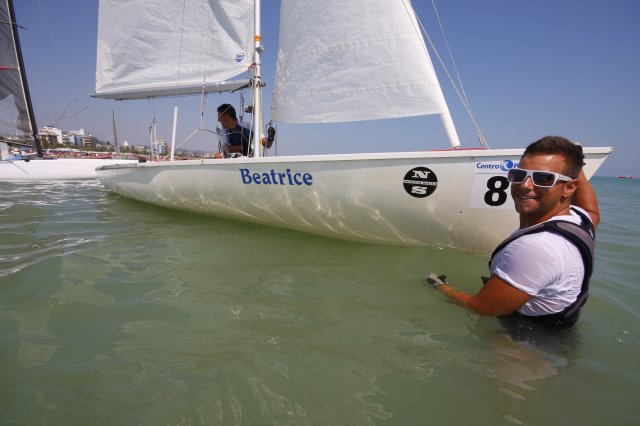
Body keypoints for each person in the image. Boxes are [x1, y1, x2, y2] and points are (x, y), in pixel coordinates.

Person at [426, 136, 599, 328]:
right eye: (519, 175)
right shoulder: (581, 220)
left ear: (569, 187)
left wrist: (440, 287)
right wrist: (577, 159)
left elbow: (483, 309)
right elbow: (592, 211)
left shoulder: (536, 248)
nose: (525, 185)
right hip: (560, 332)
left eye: (543, 178)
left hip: (523, 344)